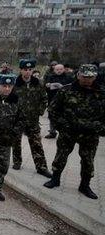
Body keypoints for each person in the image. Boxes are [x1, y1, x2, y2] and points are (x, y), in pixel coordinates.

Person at [44, 64, 105, 199]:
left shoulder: (101, 93)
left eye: (90, 77)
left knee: (88, 160)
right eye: (84, 77)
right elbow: (53, 110)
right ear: (78, 75)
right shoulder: (66, 91)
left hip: (90, 134)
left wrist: (100, 128)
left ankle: (85, 185)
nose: (87, 80)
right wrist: (62, 126)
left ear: (95, 77)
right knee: (61, 156)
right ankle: (55, 179)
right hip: (68, 132)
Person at [11, 59, 52, 178]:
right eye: (25, 70)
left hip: (33, 119)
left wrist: (39, 111)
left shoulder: (38, 83)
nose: (28, 72)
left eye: (30, 70)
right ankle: (17, 162)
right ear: (21, 70)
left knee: (36, 143)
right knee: (16, 142)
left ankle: (41, 167)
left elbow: (44, 99)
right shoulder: (15, 83)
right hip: (17, 119)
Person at [44, 63, 73, 139]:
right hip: (53, 99)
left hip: (65, 100)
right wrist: (48, 86)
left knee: (65, 116)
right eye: (57, 69)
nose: (59, 71)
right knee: (51, 116)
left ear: (63, 69)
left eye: (61, 69)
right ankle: (52, 132)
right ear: (54, 70)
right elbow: (46, 87)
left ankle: (64, 133)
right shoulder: (50, 77)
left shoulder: (69, 77)